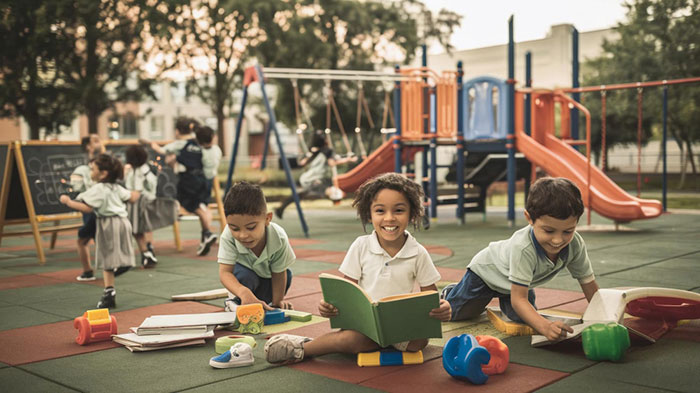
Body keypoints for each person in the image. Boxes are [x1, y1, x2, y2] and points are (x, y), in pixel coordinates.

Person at [264, 172, 451, 364]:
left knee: (419, 342)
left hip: (400, 327)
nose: (389, 218)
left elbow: (430, 299)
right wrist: (329, 307)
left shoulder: (418, 252)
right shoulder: (361, 246)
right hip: (364, 326)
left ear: (411, 213)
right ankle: (302, 348)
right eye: (380, 211)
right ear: (368, 214)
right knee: (352, 341)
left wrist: (441, 308)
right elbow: (347, 293)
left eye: (398, 210)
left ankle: (375, 342)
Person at [442, 177, 600, 342]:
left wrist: (606, 315)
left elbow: (589, 284)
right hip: (486, 274)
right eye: (549, 231)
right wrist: (545, 327)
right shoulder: (524, 247)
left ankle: (499, 297)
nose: (557, 240)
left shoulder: (575, 245)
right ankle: (451, 292)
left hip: (516, 283)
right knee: (455, 314)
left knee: (521, 318)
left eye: (567, 231)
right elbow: (519, 299)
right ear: (529, 218)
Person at [60, 154, 140, 308]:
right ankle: (126, 264)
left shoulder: (98, 189)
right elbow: (131, 197)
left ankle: (109, 293)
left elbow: (88, 207)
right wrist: (139, 191)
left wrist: (69, 202)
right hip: (124, 222)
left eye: (93, 169)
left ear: (103, 173)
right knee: (124, 249)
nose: (91, 172)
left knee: (106, 258)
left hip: (107, 223)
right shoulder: (116, 187)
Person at [142, 117, 217, 256]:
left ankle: (207, 232)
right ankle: (205, 235)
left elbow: (161, 151)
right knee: (203, 206)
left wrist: (150, 144)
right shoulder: (201, 142)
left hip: (188, 180)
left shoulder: (180, 144)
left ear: (177, 131)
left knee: (191, 205)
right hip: (205, 180)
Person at [218, 181, 295, 312]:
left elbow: (279, 273)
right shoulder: (227, 236)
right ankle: (234, 302)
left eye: (251, 227)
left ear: (267, 218)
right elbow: (225, 272)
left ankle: (264, 302)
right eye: (234, 228)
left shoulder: (279, 237)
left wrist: (277, 303)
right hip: (244, 281)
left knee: (287, 274)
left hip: (266, 281)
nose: (242, 235)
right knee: (246, 276)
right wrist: (243, 292)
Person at [274, 129, 356, 219]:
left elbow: (302, 164)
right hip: (317, 179)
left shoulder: (313, 152)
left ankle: (281, 208)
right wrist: (348, 160)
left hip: (307, 178)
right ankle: (336, 198)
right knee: (329, 189)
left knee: (301, 194)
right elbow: (332, 163)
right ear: (325, 140)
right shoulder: (328, 150)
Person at [124, 145, 177, 268]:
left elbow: (136, 193)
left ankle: (145, 253)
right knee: (145, 228)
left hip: (138, 204)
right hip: (150, 201)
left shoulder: (136, 172)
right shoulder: (147, 168)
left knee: (136, 230)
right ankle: (149, 247)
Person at [69, 134, 105, 281]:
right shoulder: (83, 170)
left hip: (99, 211)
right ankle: (98, 269)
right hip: (93, 211)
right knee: (97, 240)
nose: (100, 143)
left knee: (88, 240)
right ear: (88, 147)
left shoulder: (107, 165)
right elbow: (77, 190)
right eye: (95, 141)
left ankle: (90, 271)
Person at [195, 125, 223, 204]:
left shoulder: (199, 151)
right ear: (212, 137)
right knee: (205, 199)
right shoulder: (217, 150)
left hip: (199, 178)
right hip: (210, 178)